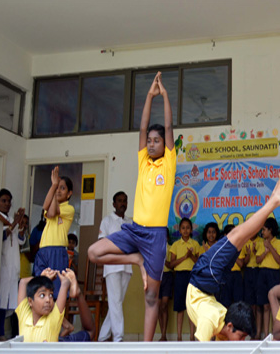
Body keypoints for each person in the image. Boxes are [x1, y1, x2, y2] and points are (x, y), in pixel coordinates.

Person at [87, 72, 176, 341]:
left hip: (157, 237)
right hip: (135, 230)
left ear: (165, 144)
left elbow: (170, 128)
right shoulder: (143, 161)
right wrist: (148, 96)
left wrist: (165, 96)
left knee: (152, 296)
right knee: (93, 253)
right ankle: (135, 259)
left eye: (156, 140)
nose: (151, 143)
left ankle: (145, 347)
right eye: (149, 140)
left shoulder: (168, 164)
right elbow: (141, 128)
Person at [185, 171, 280, 342]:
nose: (241, 342)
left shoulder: (214, 323)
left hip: (205, 281)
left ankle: (276, 200)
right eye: (241, 337)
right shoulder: (217, 321)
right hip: (207, 280)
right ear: (230, 327)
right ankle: (275, 200)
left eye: (243, 338)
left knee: (240, 236)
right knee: (239, 236)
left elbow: (199, 346)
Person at [97, 191, 133, 342]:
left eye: (125, 201)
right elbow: (102, 243)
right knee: (115, 302)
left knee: (116, 303)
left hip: (126, 267)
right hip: (112, 266)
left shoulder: (129, 223)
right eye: (119, 201)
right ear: (114, 204)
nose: (122, 203)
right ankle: (118, 338)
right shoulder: (107, 221)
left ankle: (102, 337)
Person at [34, 166, 74, 297]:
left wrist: (55, 188)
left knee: (56, 291)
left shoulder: (69, 208)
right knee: (41, 288)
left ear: (69, 194)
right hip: (43, 250)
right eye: (58, 187)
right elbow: (45, 207)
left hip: (56, 251)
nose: (58, 190)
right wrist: (54, 186)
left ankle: (57, 317)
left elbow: (51, 213)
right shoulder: (53, 202)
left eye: (62, 188)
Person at [0, 188, 25, 341]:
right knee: (1, 299)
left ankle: (9, 334)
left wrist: (20, 228)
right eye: (3, 201)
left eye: (8, 201)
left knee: (11, 301)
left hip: (13, 266)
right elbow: (1, 236)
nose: (7, 204)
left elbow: (19, 241)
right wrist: (14, 223)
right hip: (2, 265)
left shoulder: (8, 219)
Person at [15, 268, 73, 342]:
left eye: (51, 295)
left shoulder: (53, 320)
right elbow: (23, 282)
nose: (48, 300)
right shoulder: (24, 314)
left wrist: (66, 282)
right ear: (30, 301)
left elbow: (65, 284)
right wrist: (41, 277)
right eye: (42, 295)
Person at [168, 217, 200, 341]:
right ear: (179, 230)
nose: (185, 230)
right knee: (180, 307)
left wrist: (191, 256)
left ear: (191, 230)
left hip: (192, 276)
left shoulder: (195, 244)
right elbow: (171, 264)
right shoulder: (175, 245)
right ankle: (179, 336)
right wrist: (185, 257)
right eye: (183, 228)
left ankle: (192, 336)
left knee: (191, 307)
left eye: (188, 228)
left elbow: (198, 263)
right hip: (179, 277)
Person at [255, 217, 280, 337]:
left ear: (270, 230)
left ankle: (275, 332)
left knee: (274, 304)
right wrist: (265, 252)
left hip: (273, 274)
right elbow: (257, 260)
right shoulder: (261, 243)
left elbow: (278, 261)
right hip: (262, 273)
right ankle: (266, 334)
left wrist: (270, 247)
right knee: (264, 305)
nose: (262, 232)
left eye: (264, 230)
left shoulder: (278, 243)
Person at [240, 229, 263, 338]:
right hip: (248, 272)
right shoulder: (245, 241)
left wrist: (255, 253)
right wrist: (249, 255)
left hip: (259, 271)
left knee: (258, 304)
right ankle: (250, 332)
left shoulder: (262, 241)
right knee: (249, 304)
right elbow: (243, 263)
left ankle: (257, 333)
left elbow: (263, 259)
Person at [216, 224, 245, 308]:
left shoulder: (239, 246)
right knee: (224, 302)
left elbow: (241, 264)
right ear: (226, 235)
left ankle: (237, 321)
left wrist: (233, 251)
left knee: (238, 302)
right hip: (224, 276)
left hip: (236, 275)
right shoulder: (221, 247)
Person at [157, 231, 173, 341]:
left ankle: (163, 333)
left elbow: (171, 265)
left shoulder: (171, 248)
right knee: (158, 307)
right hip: (157, 277)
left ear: (167, 237)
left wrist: (163, 259)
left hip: (168, 276)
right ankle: (163, 335)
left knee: (164, 305)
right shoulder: (155, 249)